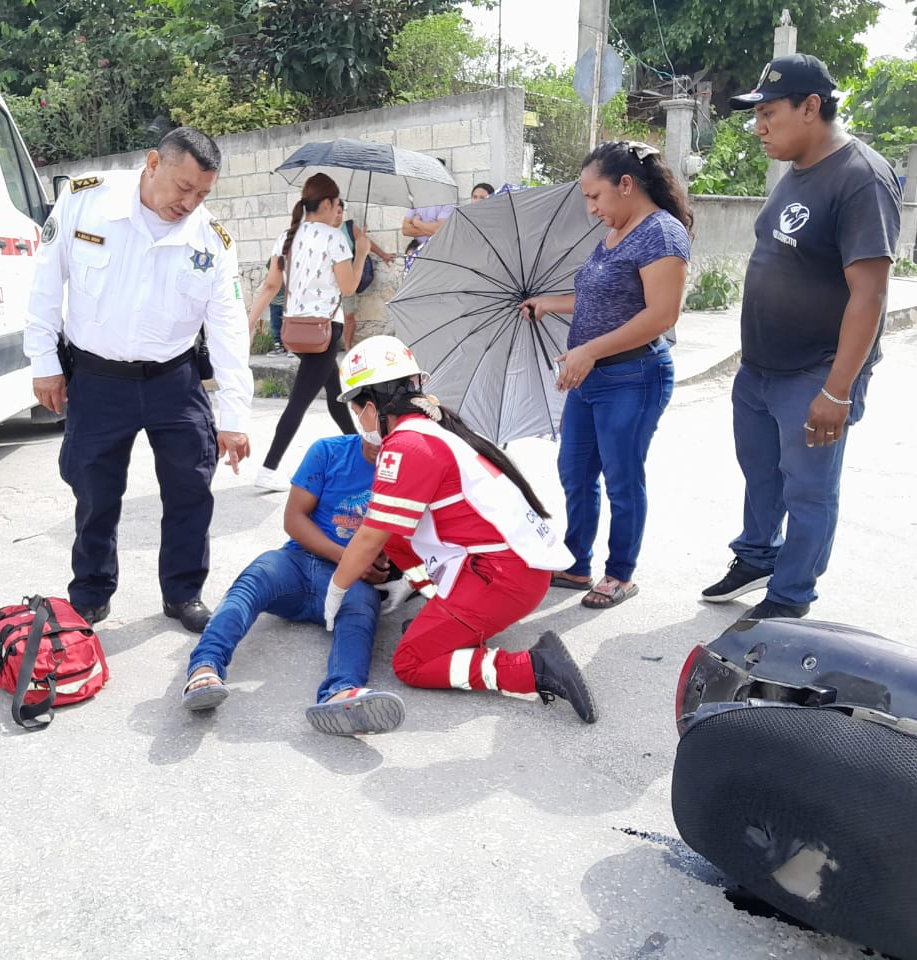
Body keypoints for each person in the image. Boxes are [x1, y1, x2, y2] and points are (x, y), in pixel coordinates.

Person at [25, 127, 253, 634]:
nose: (189, 202)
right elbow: (46, 280)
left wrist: (235, 417)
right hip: (97, 378)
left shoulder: (210, 242)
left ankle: (184, 593)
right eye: (182, 187)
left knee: (192, 487)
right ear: (152, 163)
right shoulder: (87, 201)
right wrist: (44, 361)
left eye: (202, 194)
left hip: (174, 380)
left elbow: (229, 330)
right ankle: (90, 594)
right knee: (94, 491)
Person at [701, 53, 901, 621]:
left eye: (767, 113)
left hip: (817, 371)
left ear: (811, 107)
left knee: (808, 489)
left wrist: (838, 390)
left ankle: (791, 596)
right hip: (761, 368)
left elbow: (869, 294)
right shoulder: (797, 167)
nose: (758, 127)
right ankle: (758, 555)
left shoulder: (860, 178)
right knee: (761, 475)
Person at [322, 336, 597, 724]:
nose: (359, 421)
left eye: (355, 409)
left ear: (370, 406)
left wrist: (336, 590)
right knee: (397, 532)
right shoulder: (436, 427)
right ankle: (443, 605)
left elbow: (369, 536)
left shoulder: (406, 444)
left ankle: (534, 667)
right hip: (512, 567)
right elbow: (393, 533)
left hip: (500, 577)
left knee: (411, 662)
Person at [519, 141, 691, 611]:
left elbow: (661, 315)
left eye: (595, 197)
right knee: (574, 473)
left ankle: (620, 574)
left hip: (634, 377)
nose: (591, 208)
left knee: (621, 478)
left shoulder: (662, 234)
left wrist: (588, 350)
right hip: (590, 379)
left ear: (627, 185)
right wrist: (548, 304)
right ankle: (577, 563)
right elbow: (600, 299)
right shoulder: (616, 232)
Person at [181, 433, 405, 736]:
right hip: (298, 563)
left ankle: (342, 691)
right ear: (357, 411)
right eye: (370, 416)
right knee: (255, 577)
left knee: (361, 611)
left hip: (352, 585)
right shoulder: (328, 451)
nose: (378, 438)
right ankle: (205, 666)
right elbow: (294, 519)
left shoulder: (411, 469)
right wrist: (351, 560)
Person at [246, 173, 369, 492]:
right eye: (336, 204)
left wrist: (249, 323)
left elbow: (271, 286)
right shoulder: (334, 238)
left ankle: (360, 449)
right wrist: (362, 252)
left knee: (335, 390)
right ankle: (269, 468)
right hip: (325, 330)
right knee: (300, 400)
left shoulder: (287, 236)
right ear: (327, 203)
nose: (338, 210)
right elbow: (349, 287)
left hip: (295, 331)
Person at [336, 199, 393, 351]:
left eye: (340, 212)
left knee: (348, 315)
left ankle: (348, 347)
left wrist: (383, 255)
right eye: (335, 212)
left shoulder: (348, 227)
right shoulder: (322, 231)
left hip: (346, 278)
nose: (337, 216)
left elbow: (365, 242)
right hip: (328, 281)